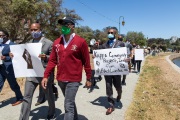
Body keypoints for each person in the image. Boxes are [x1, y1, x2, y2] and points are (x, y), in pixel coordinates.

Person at [41, 17, 92, 120]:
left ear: (72, 26)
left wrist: (89, 78)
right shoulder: (57, 42)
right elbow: (52, 61)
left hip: (73, 79)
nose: (64, 27)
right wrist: (45, 76)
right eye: (62, 25)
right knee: (70, 102)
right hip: (60, 79)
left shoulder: (81, 42)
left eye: (66, 24)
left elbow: (86, 62)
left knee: (68, 105)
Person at [10, 23, 56, 120]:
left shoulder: (49, 43)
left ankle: (51, 112)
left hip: (44, 74)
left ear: (40, 30)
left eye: (35, 29)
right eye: (31, 30)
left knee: (49, 94)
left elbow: (54, 59)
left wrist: (45, 57)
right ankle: (23, 118)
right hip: (31, 73)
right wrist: (14, 55)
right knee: (27, 96)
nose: (33, 32)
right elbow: (24, 56)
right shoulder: (29, 42)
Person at [96, 28, 125, 115]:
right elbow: (99, 55)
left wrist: (127, 60)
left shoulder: (121, 44)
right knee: (108, 86)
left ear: (115, 34)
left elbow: (125, 55)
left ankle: (119, 94)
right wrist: (96, 57)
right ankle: (111, 105)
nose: (110, 34)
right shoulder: (104, 45)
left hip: (117, 70)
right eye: (108, 33)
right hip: (107, 70)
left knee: (118, 86)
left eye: (111, 33)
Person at [0, 29, 23, 106]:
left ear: (5, 36)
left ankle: (19, 98)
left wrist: (6, 58)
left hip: (9, 68)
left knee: (13, 84)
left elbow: (17, 57)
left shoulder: (12, 45)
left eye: (0, 36)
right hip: (1, 68)